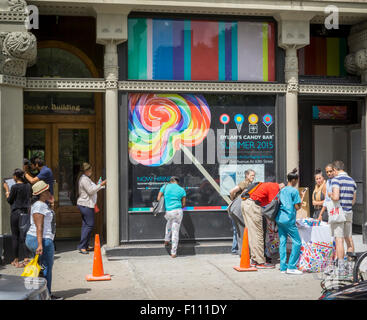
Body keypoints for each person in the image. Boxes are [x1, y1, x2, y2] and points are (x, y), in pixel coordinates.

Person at [25, 181, 62, 300]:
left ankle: (39, 294)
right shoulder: (39, 205)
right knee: (46, 267)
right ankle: (47, 295)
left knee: (41, 267)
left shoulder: (41, 204)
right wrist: (40, 244)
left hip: (38, 239)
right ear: (42, 193)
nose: (49, 191)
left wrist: (51, 205)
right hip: (41, 240)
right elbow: (39, 226)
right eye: (47, 190)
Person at [241, 180, 285, 269]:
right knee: (258, 234)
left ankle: (255, 260)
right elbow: (273, 205)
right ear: (282, 187)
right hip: (252, 205)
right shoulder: (275, 188)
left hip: (246, 203)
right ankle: (260, 262)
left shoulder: (268, 185)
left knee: (253, 234)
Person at [276, 169, 306, 275]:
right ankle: (292, 266)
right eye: (297, 180)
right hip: (289, 218)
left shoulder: (282, 190)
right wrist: (301, 199)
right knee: (297, 242)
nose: (297, 182)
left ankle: (283, 267)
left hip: (280, 218)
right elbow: (297, 207)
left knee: (283, 242)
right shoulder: (294, 191)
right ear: (293, 180)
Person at [329, 160, 357, 276]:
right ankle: (350, 268)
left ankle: (340, 268)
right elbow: (353, 201)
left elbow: (335, 197)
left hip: (339, 213)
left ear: (335, 170)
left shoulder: (336, 180)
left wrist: (330, 194)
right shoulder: (352, 181)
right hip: (349, 212)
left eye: (333, 171)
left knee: (339, 240)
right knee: (349, 239)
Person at [76, 163, 106, 254]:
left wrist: (99, 185)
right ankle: (82, 246)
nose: (91, 172)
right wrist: (101, 184)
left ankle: (85, 245)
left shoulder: (86, 179)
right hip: (86, 204)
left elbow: (92, 188)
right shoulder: (84, 179)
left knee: (86, 225)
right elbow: (91, 191)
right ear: (86, 171)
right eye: (90, 170)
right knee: (89, 225)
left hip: (87, 204)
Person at [5, 169, 32, 268]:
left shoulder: (14, 187)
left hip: (16, 213)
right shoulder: (28, 186)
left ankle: (16, 259)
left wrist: (7, 190)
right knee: (24, 236)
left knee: (15, 236)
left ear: (16, 177)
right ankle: (26, 258)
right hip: (25, 213)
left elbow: (9, 200)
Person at [157, 176, 186, 258]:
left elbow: (158, 198)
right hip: (177, 211)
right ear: (177, 182)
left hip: (168, 212)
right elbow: (184, 204)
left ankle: (166, 240)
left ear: (171, 181)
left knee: (169, 223)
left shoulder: (165, 186)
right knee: (175, 231)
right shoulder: (181, 189)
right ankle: (173, 252)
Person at [229, 169, 256, 254]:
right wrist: (233, 201)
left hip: (243, 210)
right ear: (247, 176)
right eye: (252, 175)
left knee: (239, 229)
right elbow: (231, 191)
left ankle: (238, 248)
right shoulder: (244, 183)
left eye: (254, 175)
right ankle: (234, 249)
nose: (253, 177)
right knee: (236, 229)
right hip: (238, 210)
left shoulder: (250, 184)